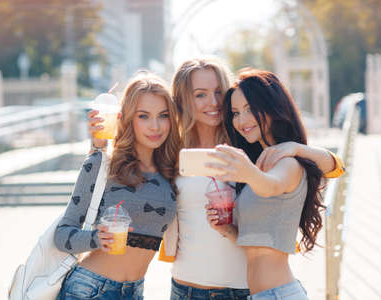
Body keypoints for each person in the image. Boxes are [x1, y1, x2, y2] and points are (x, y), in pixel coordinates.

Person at [89, 57, 344, 300]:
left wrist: (296, 148)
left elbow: (333, 168)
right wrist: (98, 145)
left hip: (243, 289)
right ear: (183, 99)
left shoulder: (248, 144)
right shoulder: (170, 150)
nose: (212, 102)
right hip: (185, 287)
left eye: (218, 92)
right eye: (200, 94)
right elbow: (113, 174)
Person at [205, 68, 330, 299]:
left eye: (249, 109)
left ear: (273, 108)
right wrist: (228, 231)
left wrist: (246, 171)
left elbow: (271, 185)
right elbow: (258, 247)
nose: (241, 120)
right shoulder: (261, 164)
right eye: (235, 113)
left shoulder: (288, 164)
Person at [54, 72, 181, 300]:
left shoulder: (171, 172)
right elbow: (62, 235)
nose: (155, 126)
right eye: (143, 116)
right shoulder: (102, 164)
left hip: (135, 292)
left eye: (163, 116)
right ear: (127, 118)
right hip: (89, 289)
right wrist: (96, 238)